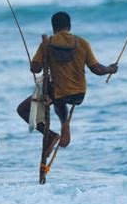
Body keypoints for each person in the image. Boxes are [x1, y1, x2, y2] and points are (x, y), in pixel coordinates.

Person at [17, 11, 118, 155]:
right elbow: (96, 69)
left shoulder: (47, 43)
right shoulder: (82, 43)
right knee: (59, 98)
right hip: (78, 95)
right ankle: (65, 123)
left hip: (58, 93)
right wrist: (111, 69)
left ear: (53, 27)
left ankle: (50, 135)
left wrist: (37, 62)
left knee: (23, 109)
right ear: (69, 26)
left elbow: (35, 68)